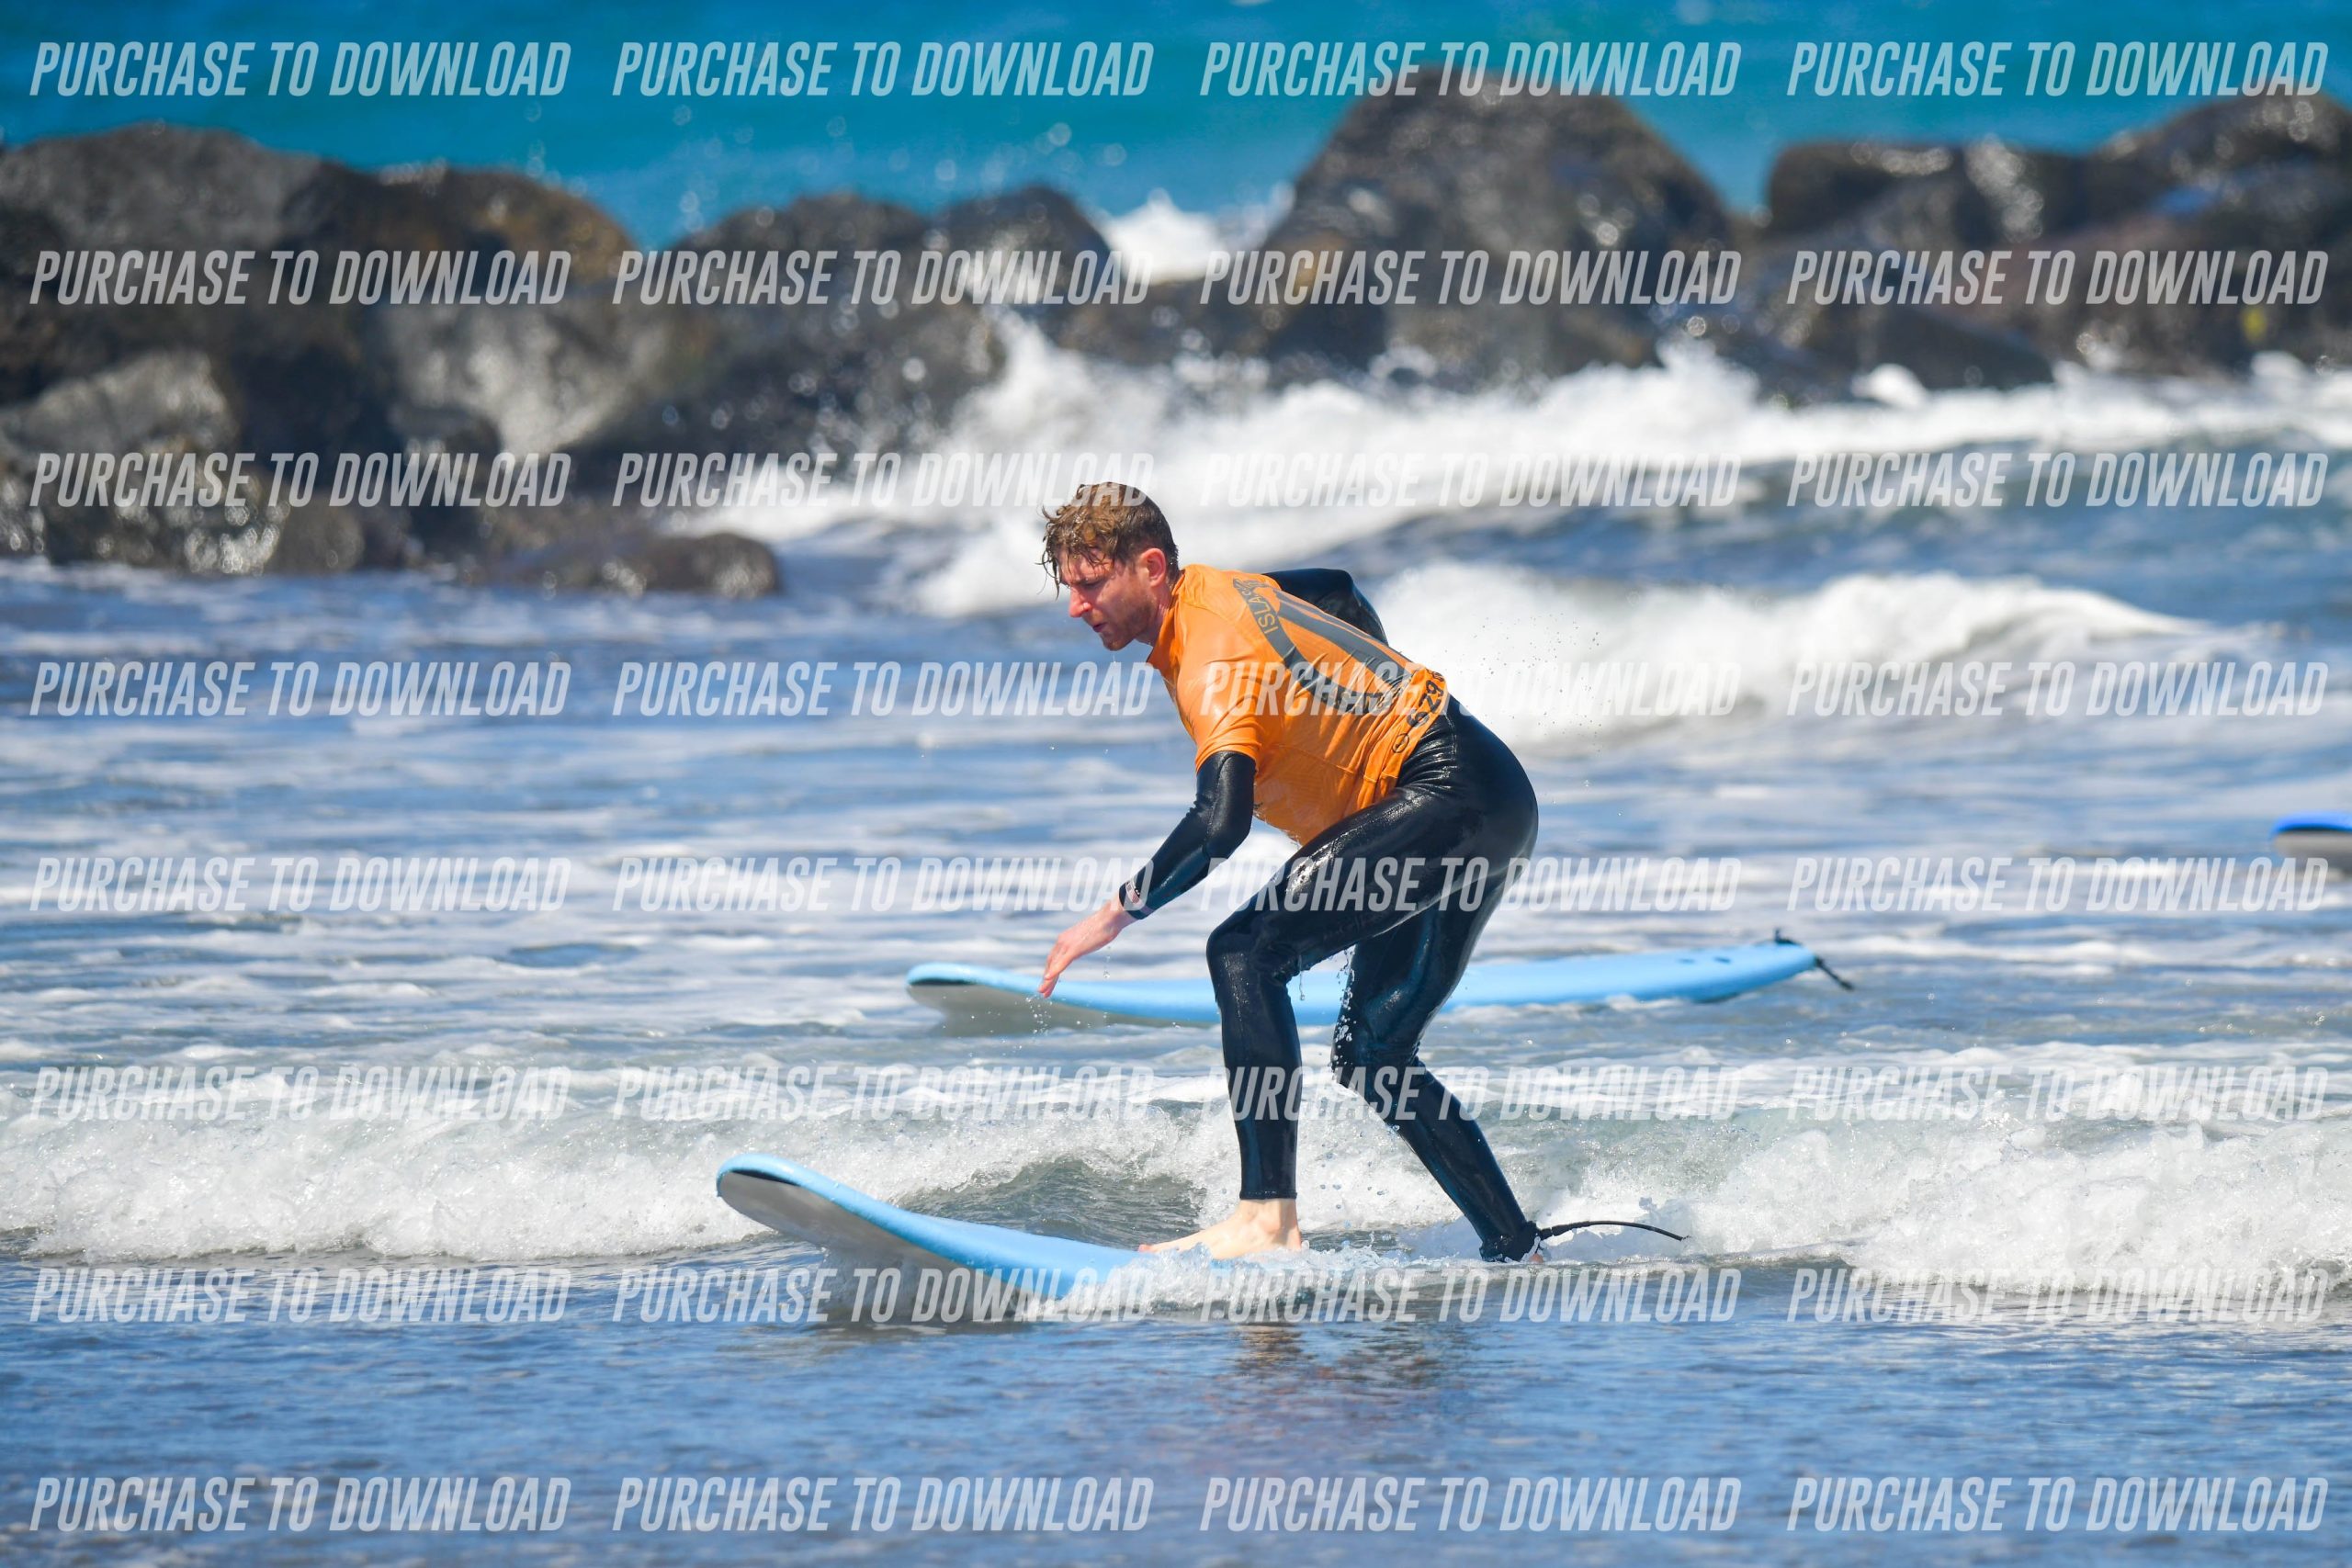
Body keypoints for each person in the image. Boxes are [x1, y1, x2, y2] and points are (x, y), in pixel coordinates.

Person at [1036, 483, 1545, 1261]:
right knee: (1373, 1050)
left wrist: (1113, 913)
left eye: (1092, 584)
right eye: (1070, 587)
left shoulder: (1212, 659)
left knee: (1244, 951)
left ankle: (1267, 1219)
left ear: (1151, 568)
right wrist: (1374, 692)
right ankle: (1517, 1246)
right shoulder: (1222, 590)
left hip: (1445, 792)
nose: (1077, 607)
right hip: (1488, 791)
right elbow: (1337, 590)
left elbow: (1221, 821)